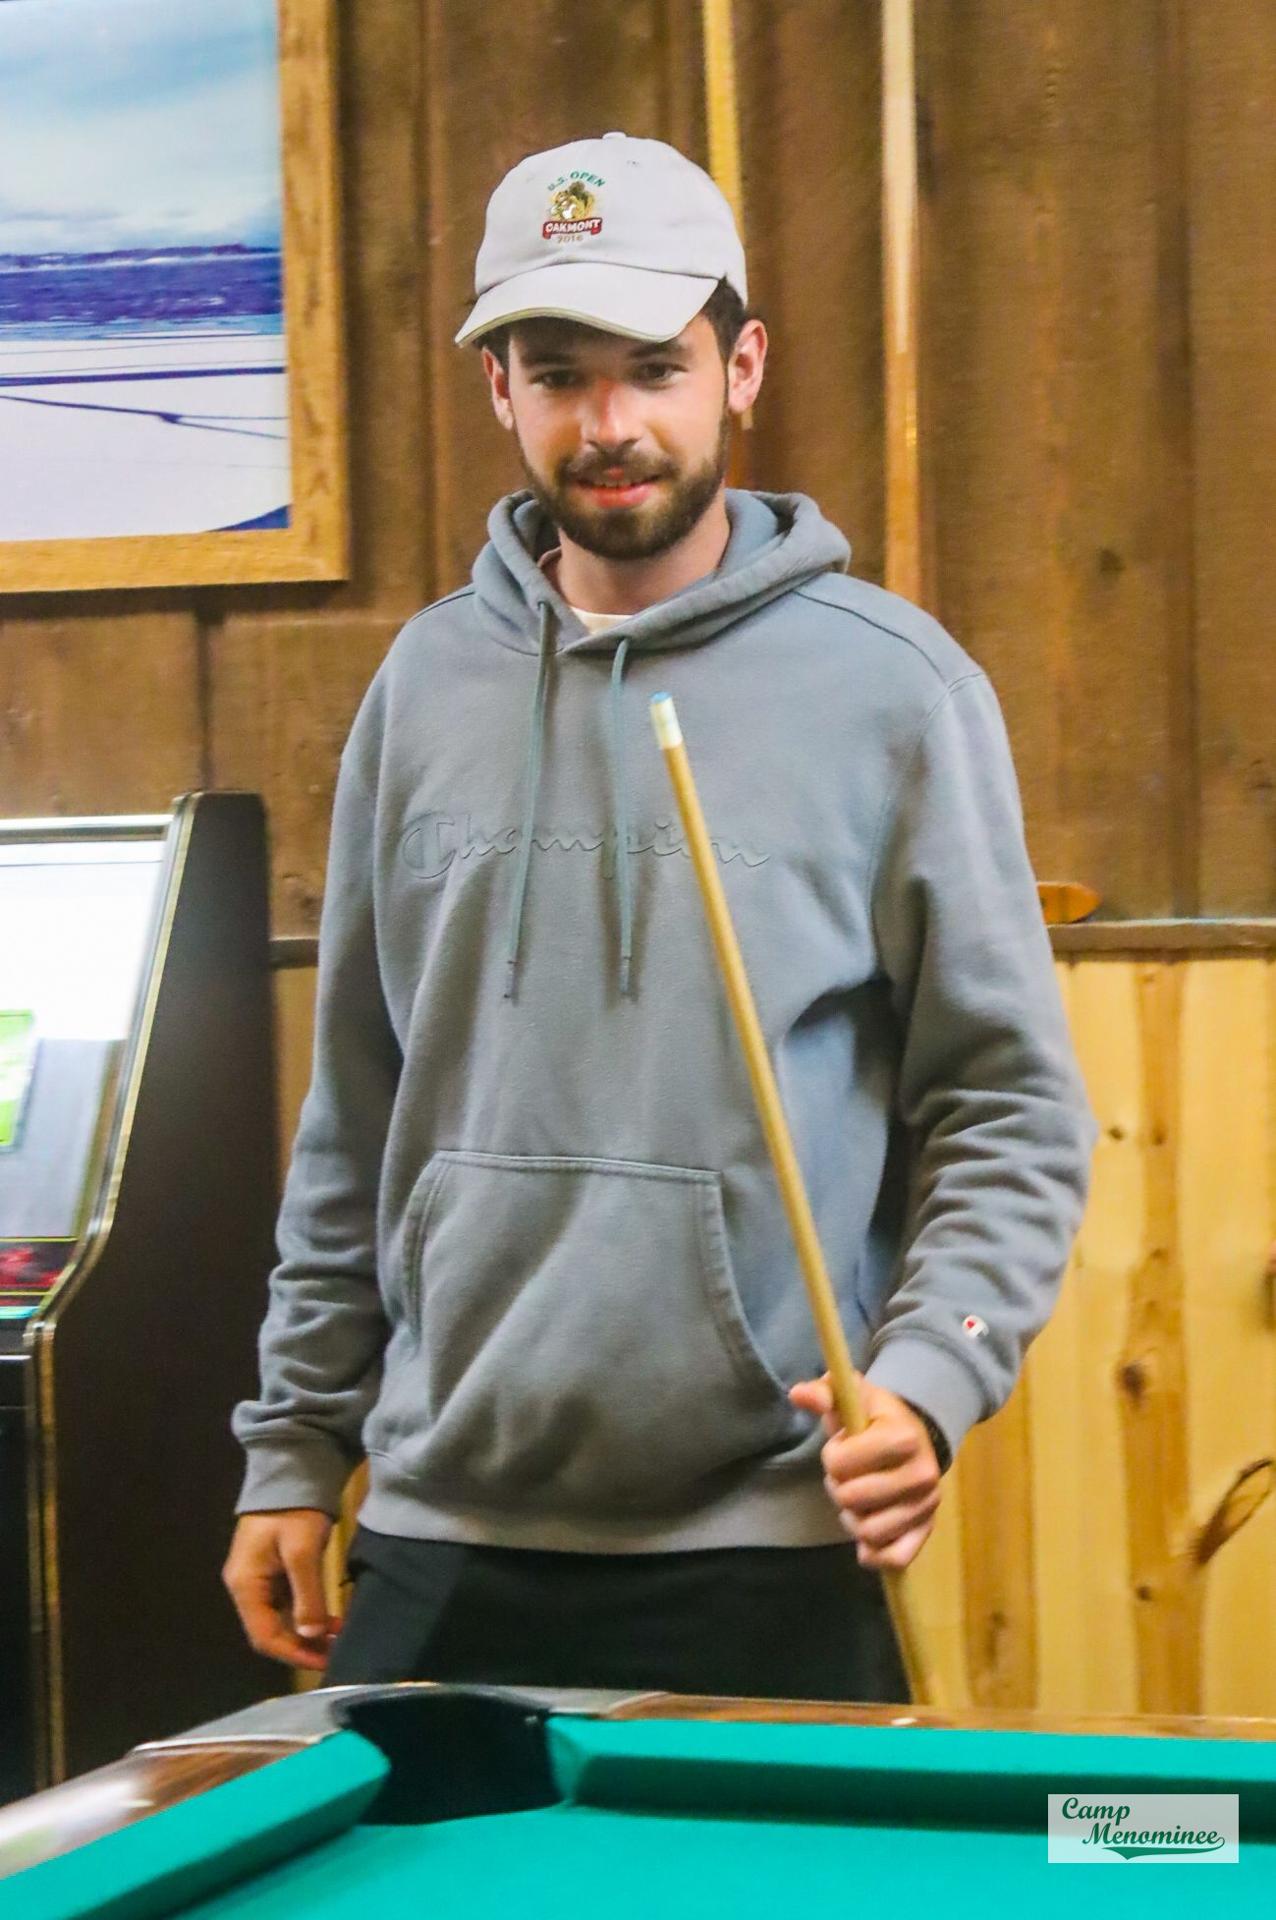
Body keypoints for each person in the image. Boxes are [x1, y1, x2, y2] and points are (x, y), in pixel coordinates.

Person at [223, 133, 1095, 1702]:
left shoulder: (895, 693)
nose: (609, 424)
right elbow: (356, 1108)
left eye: (654, 368)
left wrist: (930, 1377)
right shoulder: (423, 686)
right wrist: (295, 1439)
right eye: (560, 374)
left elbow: (1009, 1111)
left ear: (740, 369)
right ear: (500, 389)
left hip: (765, 1535)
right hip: (433, 1521)